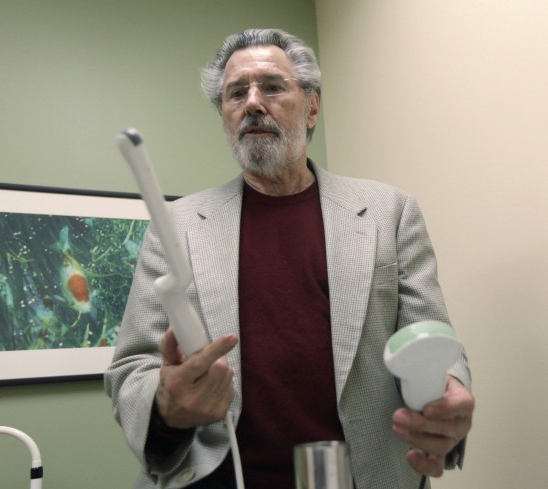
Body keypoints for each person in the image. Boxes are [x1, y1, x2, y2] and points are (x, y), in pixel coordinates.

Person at [105, 28, 474, 489]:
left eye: (272, 86)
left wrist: (447, 395)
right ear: (224, 114)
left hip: (366, 477)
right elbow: (132, 367)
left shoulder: (389, 211)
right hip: (220, 478)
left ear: (312, 105)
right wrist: (167, 407)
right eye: (236, 93)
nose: (252, 103)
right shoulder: (176, 226)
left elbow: (429, 338)